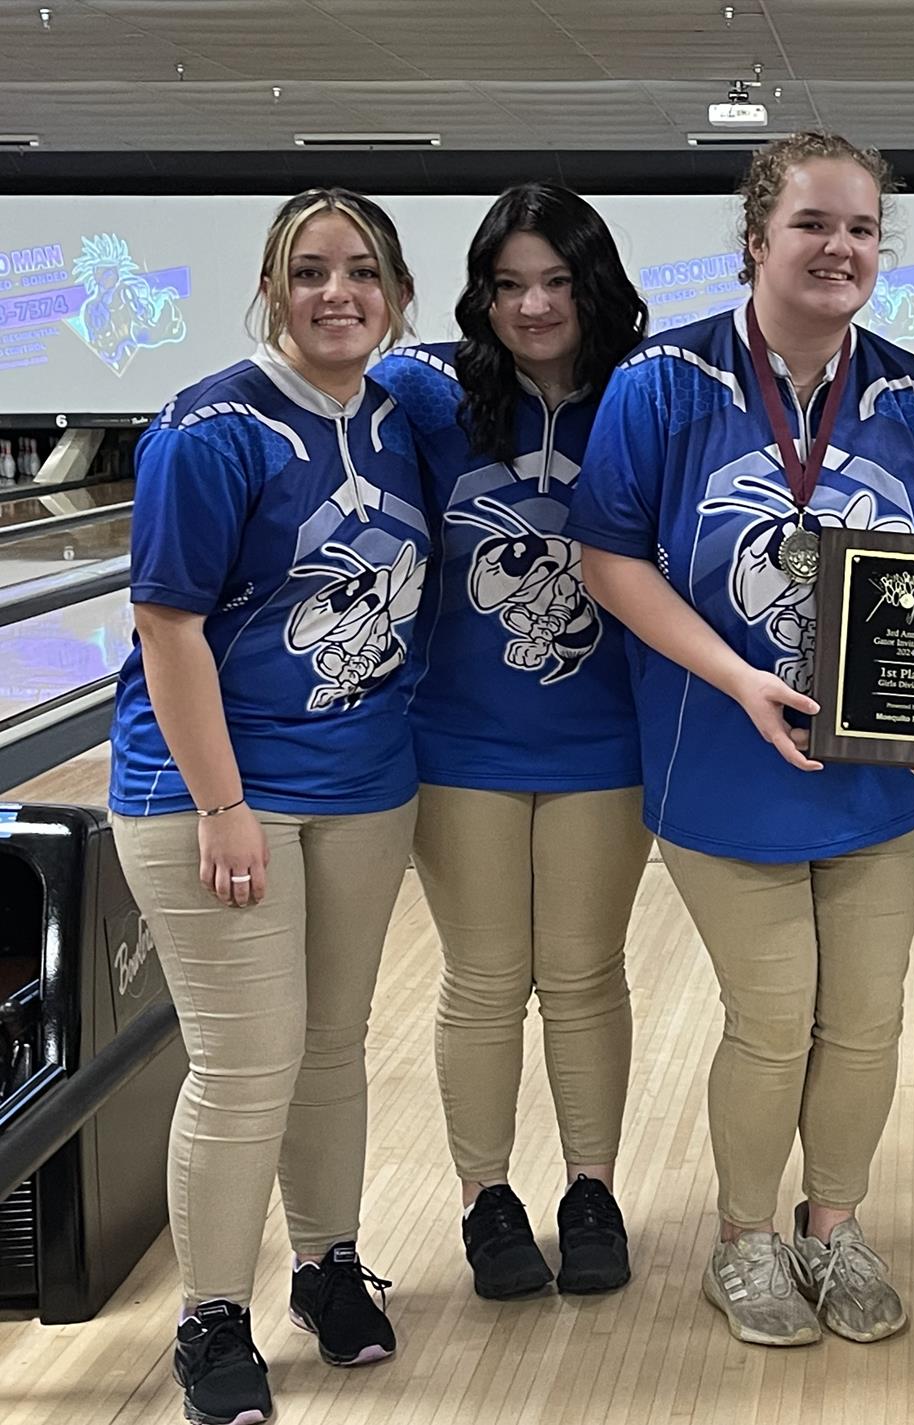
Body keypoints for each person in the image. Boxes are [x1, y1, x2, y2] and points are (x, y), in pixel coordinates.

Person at [569, 131, 914, 1349]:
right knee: (772, 1012)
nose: (838, 248)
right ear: (756, 240)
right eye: (811, 225)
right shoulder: (662, 385)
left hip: (867, 778)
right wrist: (738, 675)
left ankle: (832, 1226)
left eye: (859, 229)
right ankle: (745, 1240)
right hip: (719, 757)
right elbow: (607, 557)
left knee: (866, 1018)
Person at [108, 188, 427, 1425]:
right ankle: (210, 1317)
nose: (335, 293)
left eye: (359, 271)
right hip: (212, 796)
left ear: (396, 293)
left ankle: (329, 1264)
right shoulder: (209, 429)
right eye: (308, 271)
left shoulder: (406, 416)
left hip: (365, 783)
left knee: (333, 1044)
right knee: (247, 1067)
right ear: (272, 289)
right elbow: (167, 625)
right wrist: (224, 802)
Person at [372, 183, 650, 1303]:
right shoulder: (424, 395)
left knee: (583, 976)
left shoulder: (642, 396)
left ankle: (591, 1191)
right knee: (485, 981)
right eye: (508, 285)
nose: (533, 306)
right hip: (459, 743)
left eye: (556, 282)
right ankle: (488, 1199)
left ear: (596, 287)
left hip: (607, 740)